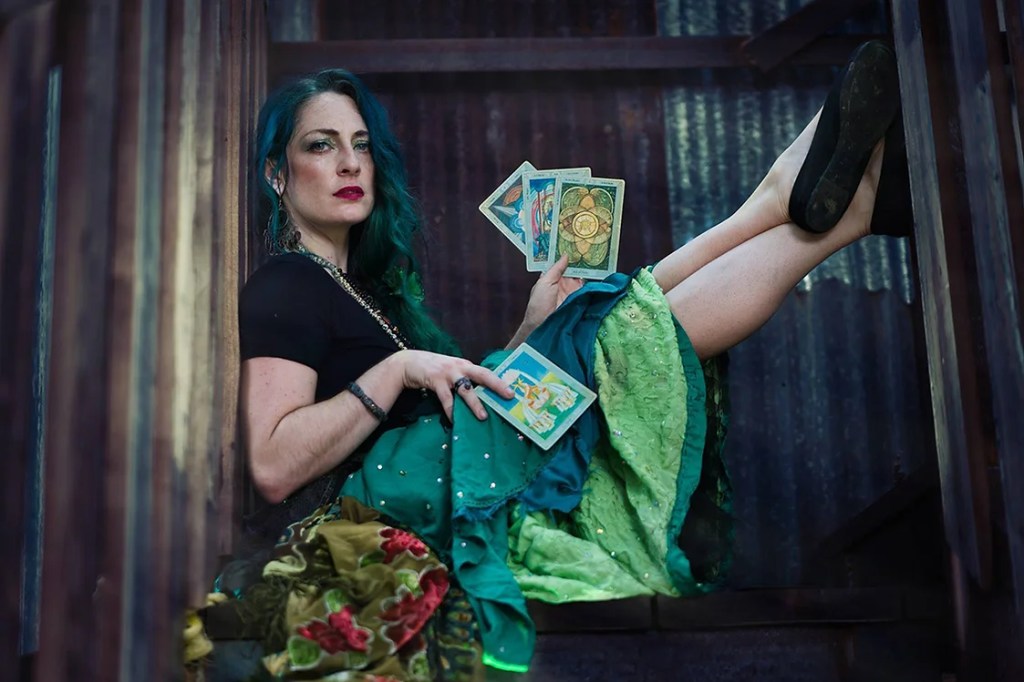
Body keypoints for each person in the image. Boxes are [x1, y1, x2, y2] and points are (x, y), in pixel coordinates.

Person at [203, 40, 909, 680]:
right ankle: (812, 204)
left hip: (444, 468)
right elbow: (274, 464)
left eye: (360, 145)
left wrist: (529, 329)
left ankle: (815, 205)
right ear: (276, 175)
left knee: (598, 315)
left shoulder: (362, 291)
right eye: (321, 145)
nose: (350, 163)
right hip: (394, 505)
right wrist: (397, 369)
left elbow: (455, 405)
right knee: (613, 330)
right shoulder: (287, 283)